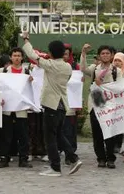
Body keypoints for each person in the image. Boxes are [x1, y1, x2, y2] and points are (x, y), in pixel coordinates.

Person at [21, 31, 82, 177]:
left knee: (50, 138)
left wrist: (26, 39)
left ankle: (55, 168)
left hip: (51, 105)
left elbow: (32, 55)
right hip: (62, 106)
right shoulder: (67, 67)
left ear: (51, 52)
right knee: (59, 134)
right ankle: (73, 158)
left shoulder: (50, 65)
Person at [81, 44, 120, 169]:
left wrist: (103, 84)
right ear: (99, 56)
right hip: (96, 102)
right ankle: (101, 158)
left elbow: (120, 87)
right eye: (102, 53)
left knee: (110, 133)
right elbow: (83, 69)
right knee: (97, 133)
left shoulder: (116, 70)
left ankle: (111, 158)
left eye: (107, 53)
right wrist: (83, 53)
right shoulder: (94, 69)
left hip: (110, 103)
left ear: (112, 55)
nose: (105, 55)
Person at [0, 47, 32, 169]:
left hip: (21, 109)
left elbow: (32, 89)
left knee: (23, 135)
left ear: (22, 57)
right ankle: (4, 158)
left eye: (19, 55)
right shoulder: (4, 71)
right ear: (11, 57)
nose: (16, 58)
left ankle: (23, 158)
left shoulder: (27, 72)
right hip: (7, 108)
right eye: (14, 55)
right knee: (6, 134)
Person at [61, 44, 79, 164]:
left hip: (71, 103)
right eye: (62, 54)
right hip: (58, 101)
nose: (64, 56)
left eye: (66, 54)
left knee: (69, 129)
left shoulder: (74, 66)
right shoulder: (55, 66)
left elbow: (78, 86)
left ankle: (70, 153)